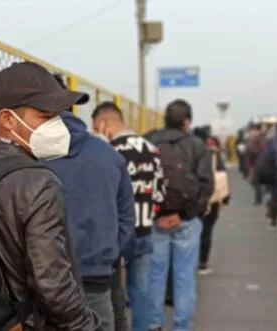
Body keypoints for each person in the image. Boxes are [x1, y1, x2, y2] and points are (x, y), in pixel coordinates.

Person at [0, 61, 99, 330]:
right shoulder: (38, 182)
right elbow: (52, 283)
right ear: (8, 120)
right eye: (46, 117)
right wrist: (86, 324)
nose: (58, 126)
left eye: (57, 117)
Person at [44, 106, 136, 330]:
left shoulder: (31, 155)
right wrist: (110, 252)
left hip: (46, 274)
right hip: (98, 270)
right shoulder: (108, 154)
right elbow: (127, 215)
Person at [91, 101, 166, 331]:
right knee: (141, 292)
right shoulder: (152, 150)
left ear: (105, 124)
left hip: (116, 235)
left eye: (96, 128)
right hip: (144, 231)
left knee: (113, 295)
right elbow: (160, 194)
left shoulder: (110, 152)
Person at [144, 99, 214, 331]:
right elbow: (206, 185)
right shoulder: (197, 145)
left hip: (155, 218)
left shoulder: (148, 141)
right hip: (187, 220)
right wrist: (184, 215)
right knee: (184, 275)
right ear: (187, 122)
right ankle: (182, 326)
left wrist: (155, 213)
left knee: (155, 274)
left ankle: (154, 322)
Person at [193, 126, 231, 275]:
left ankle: (190, 260)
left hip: (192, 197)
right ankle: (203, 262)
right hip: (211, 197)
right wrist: (226, 198)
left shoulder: (187, 150)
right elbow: (222, 177)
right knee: (207, 230)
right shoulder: (213, 153)